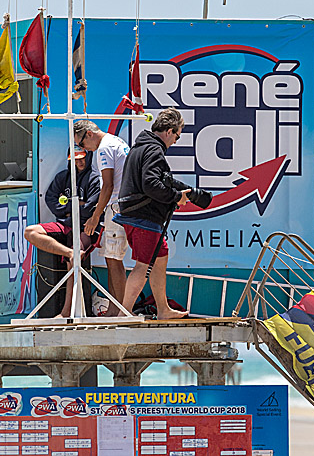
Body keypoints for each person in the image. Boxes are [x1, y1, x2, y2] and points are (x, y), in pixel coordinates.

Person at [112, 108, 191, 320]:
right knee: (143, 265)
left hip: (132, 213)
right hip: (143, 217)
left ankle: (163, 309)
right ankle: (124, 313)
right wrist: (176, 197)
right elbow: (151, 184)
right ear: (169, 131)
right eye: (177, 135)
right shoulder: (154, 151)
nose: (176, 141)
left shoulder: (140, 148)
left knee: (160, 256)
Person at [23, 148, 101, 318]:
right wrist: (74, 206)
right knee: (30, 232)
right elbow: (50, 199)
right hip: (65, 224)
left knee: (74, 261)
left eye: (82, 159)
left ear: (89, 157)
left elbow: (91, 208)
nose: (79, 162)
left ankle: (66, 312)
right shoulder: (62, 177)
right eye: (75, 159)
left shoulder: (95, 178)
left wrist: (73, 209)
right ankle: (68, 252)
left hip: (85, 227)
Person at [74, 119, 129, 314]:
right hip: (122, 205)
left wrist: (95, 216)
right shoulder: (116, 141)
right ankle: (117, 309)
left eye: (81, 144)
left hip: (117, 207)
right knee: (112, 259)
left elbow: (108, 185)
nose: (84, 150)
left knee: (114, 260)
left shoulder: (104, 148)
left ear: (88, 134)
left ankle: (119, 311)